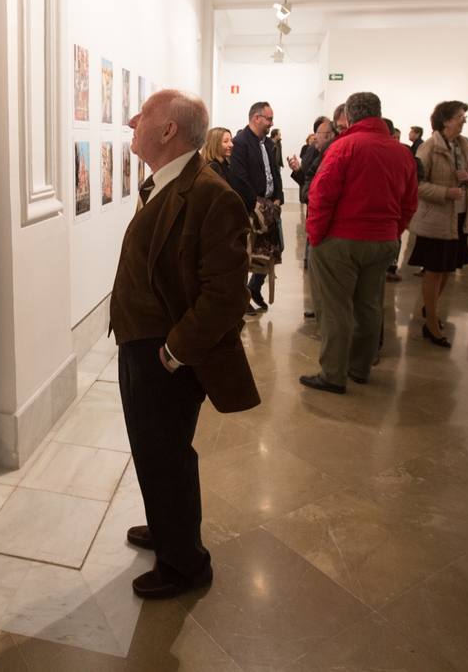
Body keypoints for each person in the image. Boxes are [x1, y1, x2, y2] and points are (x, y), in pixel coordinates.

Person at [112, 89, 259, 600]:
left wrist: (174, 351)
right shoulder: (167, 183)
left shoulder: (212, 195)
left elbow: (226, 295)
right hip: (142, 344)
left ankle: (185, 564)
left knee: (166, 454)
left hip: (167, 354)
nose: (134, 120)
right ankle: (167, 527)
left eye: (145, 114)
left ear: (169, 130)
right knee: (153, 452)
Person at [300, 93, 418, 393]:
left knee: (335, 308)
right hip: (383, 241)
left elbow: (321, 195)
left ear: (350, 117)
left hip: (341, 240)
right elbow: (409, 203)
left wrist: (316, 235)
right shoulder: (401, 152)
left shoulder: (344, 147)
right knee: (369, 306)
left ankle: (333, 375)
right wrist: (393, 231)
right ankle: (360, 367)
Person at [411, 101, 468, 348]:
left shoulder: (465, 146)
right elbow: (417, 185)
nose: (464, 120)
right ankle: (431, 322)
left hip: (461, 217)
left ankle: (430, 309)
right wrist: (445, 192)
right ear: (445, 120)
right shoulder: (429, 149)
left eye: (464, 116)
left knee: (448, 269)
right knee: (434, 269)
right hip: (436, 220)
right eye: (460, 116)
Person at [227, 102, 283, 312]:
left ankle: (255, 287)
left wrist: (278, 198)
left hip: (270, 206)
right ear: (256, 118)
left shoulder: (268, 143)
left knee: (269, 252)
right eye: (268, 119)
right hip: (252, 208)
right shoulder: (240, 142)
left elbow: (274, 172)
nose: (271, 123)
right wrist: (256, 204)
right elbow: (239, 178)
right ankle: (242, 298)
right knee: (246, 254)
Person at [288, 117, 338, 319]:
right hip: (315, 218)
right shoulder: (315, 152)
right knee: (314, 268)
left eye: (319, 134)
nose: (315, 138)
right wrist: (298, 171)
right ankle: (319, 307)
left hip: (326, 222)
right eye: (315, 133)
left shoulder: (333, 155)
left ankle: (325, 310)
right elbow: (307, 186)